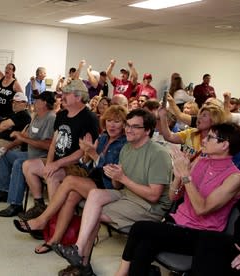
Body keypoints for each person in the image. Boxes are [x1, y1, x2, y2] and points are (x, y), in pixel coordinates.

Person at [53, 109, 173, 275]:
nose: (128, 130)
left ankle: (82, 264)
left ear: (147, 131)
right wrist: (115, 176)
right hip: (127, 195)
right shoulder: (127, 148)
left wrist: (122, 178)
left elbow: (154, 196)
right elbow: (117, 186)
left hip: (148, 207)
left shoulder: (159, 154)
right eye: (128, 125)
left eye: (135, 127)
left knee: (93, 212)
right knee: (94, 196)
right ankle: (79, 250)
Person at [115, 122, 240, 276]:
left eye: (210, 137)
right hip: (177, 223)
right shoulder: (201, 160)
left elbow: (202, 209)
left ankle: (121, 274)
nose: (204, 140)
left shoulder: (234, 177)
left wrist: (186, 176)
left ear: (224, 145)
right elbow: (173, 196)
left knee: (140, 228)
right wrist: (178, 176)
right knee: (144, 245)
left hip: (201, 234)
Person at [13, 106, 127, 257]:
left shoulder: (124, 144)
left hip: (108, 185)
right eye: (109, 121)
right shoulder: (104, 138)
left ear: (124, 125)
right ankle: (54, 240)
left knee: (70, 181)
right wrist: (87, 154)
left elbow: (110, 172)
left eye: (117, 121)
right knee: (71, 196)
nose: (112, 125)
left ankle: (42, 220)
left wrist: (92, 153)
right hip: (94, 179)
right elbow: (88, 165)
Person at [19, 80, 99, 220]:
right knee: (28, 165)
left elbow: (83, 151)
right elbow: (54, 143)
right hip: (58, 162)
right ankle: (39, 205)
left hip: (77, 166)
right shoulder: (62, 115)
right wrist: (50, 162)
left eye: (66, 94)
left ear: (78, 97)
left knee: (52, 175)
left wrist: (56, 165)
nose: (61, 97)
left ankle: (53, 219)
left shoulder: (89, 118)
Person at [0, 92, 57, 216]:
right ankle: (3, 191)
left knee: (19, 163)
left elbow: (48, 145)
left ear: (44, 103)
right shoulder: (37, 116)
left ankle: (15, 204)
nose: (34, 102)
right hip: (30, 154)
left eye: (37, 100)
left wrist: (23, 138)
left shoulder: (51, 118)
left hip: (41, 158)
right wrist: (7, 147)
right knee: (6, 155)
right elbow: (25, 136)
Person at [0, 48, 23, 119]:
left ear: (13, 72)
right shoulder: (1, 76)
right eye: (6, 68)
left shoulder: (15, 83)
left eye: (9, 68)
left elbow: (22, 97)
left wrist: (15, 104)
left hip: (6, 114)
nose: (7, 69)